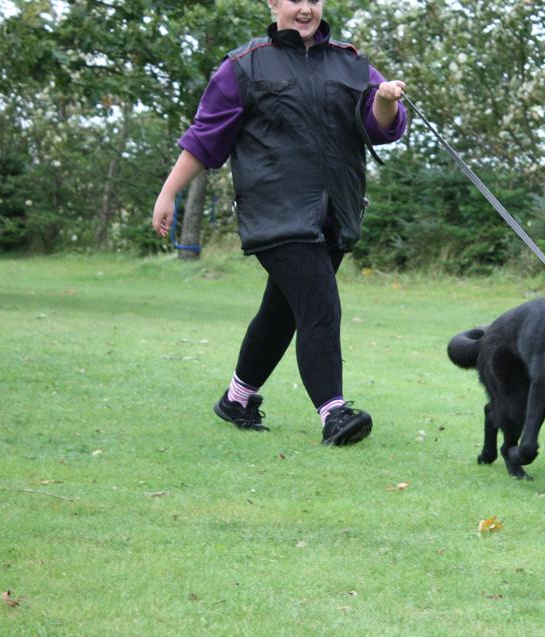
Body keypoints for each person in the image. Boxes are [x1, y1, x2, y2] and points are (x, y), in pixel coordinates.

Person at [152, 0, 407, 446]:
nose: (306, 8)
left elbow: (380, 126)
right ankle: (333, 413)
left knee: (284, 310)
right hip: (275, 212)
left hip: (335, 213)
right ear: (274, 3)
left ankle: (237, 399)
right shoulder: (243, 66)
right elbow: (205, 137)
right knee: (319, 304)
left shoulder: (352, 64)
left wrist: (384, 101)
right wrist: (168, 192)